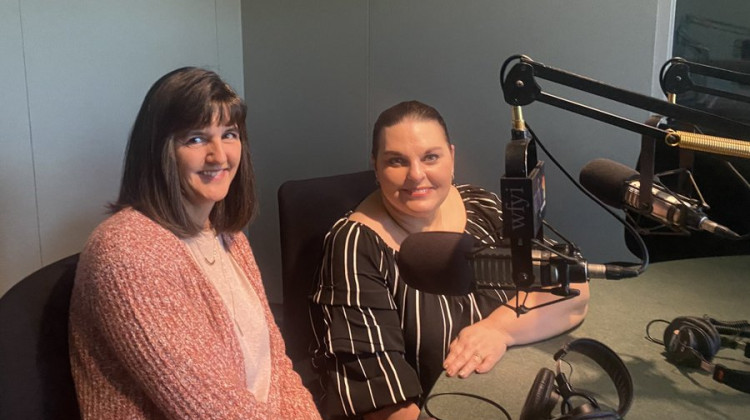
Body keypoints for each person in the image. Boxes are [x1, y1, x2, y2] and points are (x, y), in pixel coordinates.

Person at [310, 100, 590, 420]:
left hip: (506, 398)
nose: (416, 175)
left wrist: (500, 330)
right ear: (375, 167)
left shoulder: (479, 205)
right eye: (396, 161)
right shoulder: (355, 246)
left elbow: (573, 289)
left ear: (452, 158)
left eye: (430, 157)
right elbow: (379, 403)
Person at [68, 67, 321, 419]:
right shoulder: (126, 252)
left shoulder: (227, 234)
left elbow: (275, 366)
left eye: (229, 135)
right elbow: (208, 408)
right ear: (160, 150)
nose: (220, 156)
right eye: (196, 139)